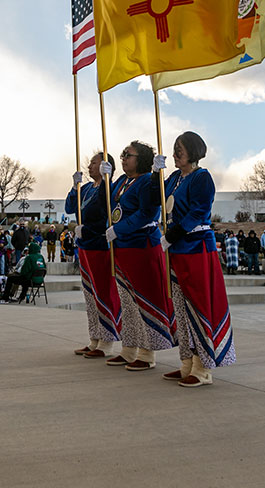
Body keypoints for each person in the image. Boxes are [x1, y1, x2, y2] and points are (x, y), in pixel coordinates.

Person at [153, 132, 234, 387]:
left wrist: (175, 233)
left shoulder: (202, 177)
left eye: (180, 149)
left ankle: (203, 367)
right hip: (177, 250)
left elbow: (199, 210)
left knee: (199, 308)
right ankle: (186, 362)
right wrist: (156, 174)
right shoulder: (175, 178)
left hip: (196, 247)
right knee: (181, 307)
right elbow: (159, 200)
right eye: (175, 149)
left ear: (193, 151)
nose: (176, 154)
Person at [103, 140, 176, 371]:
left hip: (142, 246)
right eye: (123, 154)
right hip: (122, 248)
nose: (124, 157)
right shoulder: (122, 181)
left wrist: (120, 229)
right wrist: (107, 178)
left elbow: (148, 213)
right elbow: (108, 205)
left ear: (141, 159)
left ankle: (147, 352)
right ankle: (129, 348)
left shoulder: (146, 181)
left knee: (145, 301)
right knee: (128, 302)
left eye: (129, 155)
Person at [66, 151, 121, 357]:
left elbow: (105, 213)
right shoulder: (87, 188)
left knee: (102, 293)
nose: (89, 167)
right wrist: (74, 187)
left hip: (100, 245)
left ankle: (107, 341)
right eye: (89, 163)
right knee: (90, 294)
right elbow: (70, 207)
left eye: (94, 163)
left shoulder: (111, 189)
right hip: (85, 246)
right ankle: (94, 337)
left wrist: (108, 181)